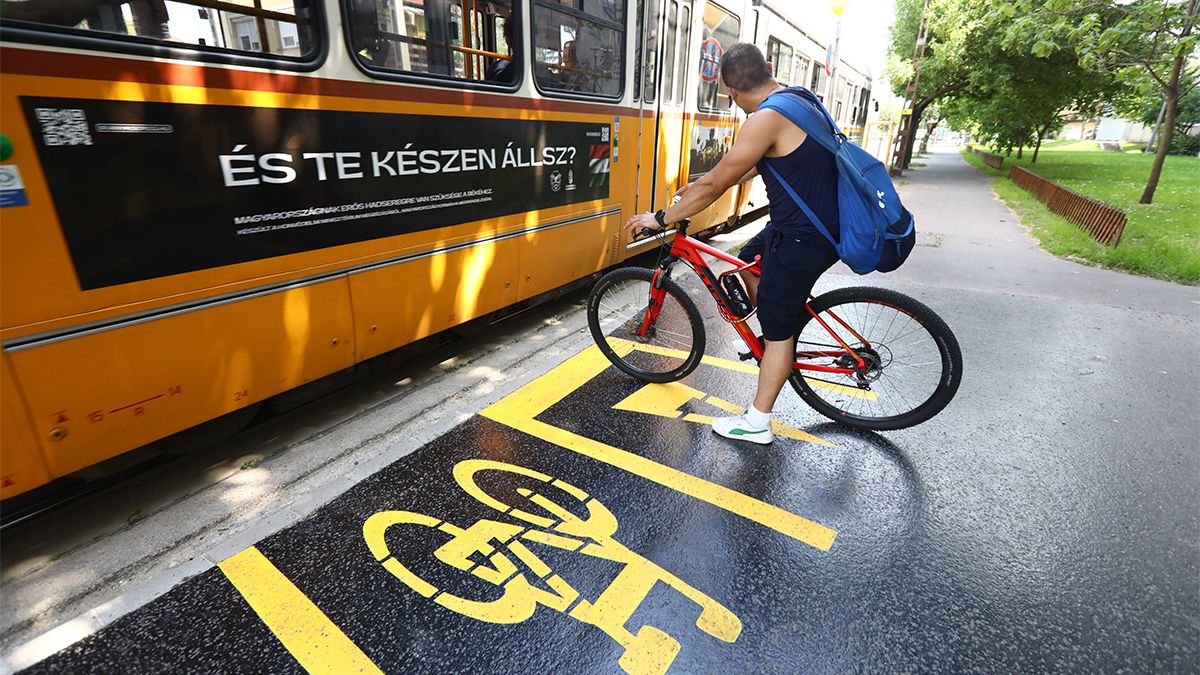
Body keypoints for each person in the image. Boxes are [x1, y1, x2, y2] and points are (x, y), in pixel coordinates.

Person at [624, 43, 840, 445]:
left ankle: (757, 418)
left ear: (730, 92)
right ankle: (777, 322)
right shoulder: (797, 99)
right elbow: (758, 162)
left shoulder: (765, 118)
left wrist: (659, 218)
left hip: (805, 238)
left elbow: (716, 184)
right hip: (809, 226)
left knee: (778, 332)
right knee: (748, 258)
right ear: (769, 68)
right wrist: (704, 183)